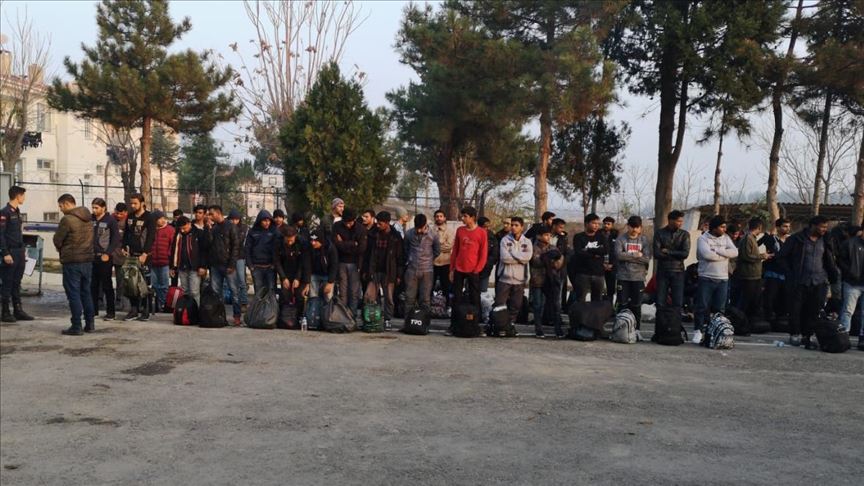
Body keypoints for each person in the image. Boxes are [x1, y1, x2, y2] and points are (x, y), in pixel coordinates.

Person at [779, 216, 839, 349]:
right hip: (799, 280)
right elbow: (781, 257)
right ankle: (795, 333)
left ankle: (808, 335)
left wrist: (832, 275)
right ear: (813, 226)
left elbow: (829, 259)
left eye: (826, 227)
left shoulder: (825, 240)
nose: (824, 229)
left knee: (814, 310)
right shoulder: (796, 239)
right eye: (822, 227)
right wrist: (790, 273)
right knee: (795, 309)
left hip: (819, 281)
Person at [693, 215, 738, 344]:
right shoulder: (703, 239)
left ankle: (716, 330)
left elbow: (735, 252)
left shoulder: (726, 238)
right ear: (714, 228)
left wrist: (717, 250)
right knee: (702, 306)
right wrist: (724, 255)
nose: (724, 229)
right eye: (722, 227)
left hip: (723, 278)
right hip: (706, 277)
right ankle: (698, 330)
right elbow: (707, 255)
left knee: (720, 308)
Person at [53, 194, 94, 335]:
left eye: (61, 206)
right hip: (87, 261)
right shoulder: (88, 218)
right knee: (86, 293)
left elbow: (57, 239)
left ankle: (76, 326)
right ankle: (90, 324)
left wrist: (60, 247)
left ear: (66, 204)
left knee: (73, 294)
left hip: (72, 261)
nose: (60, 209)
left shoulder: (67, 219)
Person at [363, 211, 405, 329]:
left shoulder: (395, 237)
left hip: (389, 271)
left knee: (389, 298)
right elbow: (367, 254)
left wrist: (399, 275)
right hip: (374, 270)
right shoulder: (372, 235)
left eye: (380, 223)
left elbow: (400, 257)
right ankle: (371, 318)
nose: (377, 225)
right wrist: (366, 270)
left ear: (387, 223)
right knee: (369, 296)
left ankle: (387, 319)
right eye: (377, 223)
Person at [0, 185, 35, 322]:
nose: (24, 198)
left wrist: (23, 250)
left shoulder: (17, 211)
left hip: (19, 251)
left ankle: (18, 310)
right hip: (10, 252)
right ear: (18, 196)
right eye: (23, 196)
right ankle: (5, 312)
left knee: (17, 283)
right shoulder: (5, 212)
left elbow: (17, 233)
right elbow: (1, 235)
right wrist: (5, 253)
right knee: (7, 283)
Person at [206, 205, 243, 325]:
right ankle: (219, 315)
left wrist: (232, 264)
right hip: (215, 265)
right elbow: (209, 244)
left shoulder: (231, 226)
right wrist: (208, 229)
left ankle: (237, 315)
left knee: (234, 291)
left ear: (218, 213)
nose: (210, 216)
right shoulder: (214, 228)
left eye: (211, 214)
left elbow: (236, 246)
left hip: (228, 264)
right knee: (216, 292)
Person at [494, 217, 532, 332]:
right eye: (512, 225)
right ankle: (499, 325)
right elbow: (505, 258)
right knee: (500, 304)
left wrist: (513, 253)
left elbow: (527, 258)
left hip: (519, 280)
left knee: (515, 305)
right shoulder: (505, 240)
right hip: (505, 278)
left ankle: (510, 325)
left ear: (522, 227)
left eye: (516, 225)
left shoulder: (527, 242)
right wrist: (520, 258)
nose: (513, 227)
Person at [122, 193, 156, 322]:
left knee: (144, 284)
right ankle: (134, 310)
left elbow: (151, 237)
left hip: (144, 256)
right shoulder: (130, 216)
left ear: (142, 203)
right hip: (131, 255)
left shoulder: (149, 217)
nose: (132, 205)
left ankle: (145, 310)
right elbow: (126, 233)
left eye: (135, 203)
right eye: (131, 203)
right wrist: (124, 246)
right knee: (131, 283)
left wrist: (145, 253)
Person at [614, 216, 651, 329]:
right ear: (628, 226)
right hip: (623, 277)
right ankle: (620, 328)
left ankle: (636, 329)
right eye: (632, 226)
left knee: (636, 305)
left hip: (638, 277)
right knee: (622, 304)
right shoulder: (621, 239)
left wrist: (627, 256)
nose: (634, 229)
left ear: (640, 228)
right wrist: (635, 255)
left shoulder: (644, 240)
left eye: (637, 227)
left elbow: (646, 258)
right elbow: (618, 255)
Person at [449, 206, 488, 311]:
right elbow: (455, 250)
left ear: (472, 217)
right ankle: (456, 319)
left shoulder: (481, 232)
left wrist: (478, 269)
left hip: (473, 269)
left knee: (474, 296)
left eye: (465, 216)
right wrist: (452, 269)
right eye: (462, 216)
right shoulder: (460, 230)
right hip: (459, 268)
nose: (463, 218)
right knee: (457, 296)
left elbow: (483, 253)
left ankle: (476, 319)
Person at [733, 218, 769, 319]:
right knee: (746, 300)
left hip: (755, 275)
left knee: (754, 300)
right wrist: (762, 256)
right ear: (759, 228)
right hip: (748, 275)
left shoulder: (751, 238)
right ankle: (740, 320)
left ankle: (750, 320)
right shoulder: (747, 238)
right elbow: (747, 256)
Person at [654, 210, 690, 311]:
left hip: (678, 271)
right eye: (678, 221)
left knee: (677, 302)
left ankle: (676, 321)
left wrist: (668, 252)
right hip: (663, 271)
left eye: (681, 221)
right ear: (670, 220)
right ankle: (660, 321)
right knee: (660, 301)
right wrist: (677, 254)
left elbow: (685, 254)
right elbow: (657, 253)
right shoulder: (659, 233)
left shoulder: (684, 234)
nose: (681, 223)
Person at [90, 198, 120, 321]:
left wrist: (108, 253)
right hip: (92, 256)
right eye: (93, 207)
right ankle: (93, 310)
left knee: (107, 285)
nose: (94, 210)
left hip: (105, 257)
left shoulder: (110, 220)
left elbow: (115, 239)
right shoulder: (91, 219)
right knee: (93, 285)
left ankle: (111, 312)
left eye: (96, 208)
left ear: (103, 208)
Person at [569, 213, 609, 304]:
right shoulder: (579, 237)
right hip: (583, 273)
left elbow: (605, 250)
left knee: (597, 301)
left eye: (598, 224)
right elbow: (579, 253)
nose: (596, 226)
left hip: (598, 273)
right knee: (580, 300)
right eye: (594, 223)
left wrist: (588, 250)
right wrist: (595, 254)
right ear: (586, 224)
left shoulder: (601, 237)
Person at [403, 213, 440, 313]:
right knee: (409, 297)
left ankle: (425, 320)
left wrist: (429, 259)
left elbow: (437, 251)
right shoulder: (409, 234)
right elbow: (405, 249)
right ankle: (408, 319)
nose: (419, 231)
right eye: (417, 228)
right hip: (412, 269)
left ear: (425, 225)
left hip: (427, 271)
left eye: (421, 228)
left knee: (425, 298)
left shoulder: (433, 234)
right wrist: (410, 259)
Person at [333, 208, 367, 315]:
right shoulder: (337, 226)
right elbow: (335, 244)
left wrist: (343, 243)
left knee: (353, 292)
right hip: (341, 262)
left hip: (355, 263)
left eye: (350, 222)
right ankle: (343, 315)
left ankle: (352, 315)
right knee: (342, 291)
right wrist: (353, 244)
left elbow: (361, 248)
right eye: (346, 222)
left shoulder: (361, 229)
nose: (348, 225)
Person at [169, 216, 207, 306]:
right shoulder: (178, 235)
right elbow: (173, 251)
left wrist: (203, 266)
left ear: (189, 224)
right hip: (182, 266)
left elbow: (204, 251)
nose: (183, 230)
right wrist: (172, 267)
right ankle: (186, 311)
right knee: (185, 292)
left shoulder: (198, 233)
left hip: (195, 267)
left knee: (194, 291)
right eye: (181, 228)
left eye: (184, 228)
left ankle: (195, 310)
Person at [275, 225, 311, 319]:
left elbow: (303, 262)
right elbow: (277, 262)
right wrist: (283, 278)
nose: (290, 243)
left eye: (291, 240)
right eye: (287, 240)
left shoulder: (302, 243)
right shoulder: (278, 243)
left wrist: (297, 278)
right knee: (285, 295)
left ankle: (299, 317)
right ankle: (285, 318)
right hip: (285, 272)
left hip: (299, 272)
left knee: (299, 295)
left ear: (295, 236)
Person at [758, 217, 791, 321]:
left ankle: (781, 319)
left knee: (784, 299)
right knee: (770, 298)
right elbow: (755, 245)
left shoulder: (791, 240)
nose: (787, 228)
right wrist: (764, 255)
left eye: (789, 226)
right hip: (772, 273)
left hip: (786, 274)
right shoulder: (771, 239)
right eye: (785, 226)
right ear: (778, 227)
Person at [306, 229, 338, 329]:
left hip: (327, 275)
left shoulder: (330, 248)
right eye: (311, 240)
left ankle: (328, 319)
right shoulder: (309, 248)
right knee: (313, 296)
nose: (313, 243)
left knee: (328, 296)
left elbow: (334, 266)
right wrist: (307, 282)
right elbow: (307, 265)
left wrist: (330, 282)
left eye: (315, 241)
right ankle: (313, 320)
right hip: (314, 274)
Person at [837, 225, 863, 338]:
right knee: (848, 311)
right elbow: (840, 260)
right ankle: (843, 336)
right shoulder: (849, 243)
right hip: (852, 283)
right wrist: (850, 272)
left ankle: (862, 337)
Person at [528, 225, 553, 336]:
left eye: (549, 235)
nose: (548, 237)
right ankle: (538, 327)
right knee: (537, 304)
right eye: (546, 235)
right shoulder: (533, 248)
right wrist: (547, 259)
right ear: (539, 236)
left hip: (549, 280)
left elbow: (559, 262)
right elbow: (535, 261)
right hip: (537, 280)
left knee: (548, 304)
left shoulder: (552, 248)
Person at [244, 210, 277, 293]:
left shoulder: (273, 231)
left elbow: (276, 248)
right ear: (260, 221)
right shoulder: (252, 232)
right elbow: (247, 249)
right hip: (256, 267)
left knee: (271, 290)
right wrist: (250, 265)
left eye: (268, 220)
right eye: (264, 221)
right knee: (259, 292)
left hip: (270, 267)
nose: (267, 223)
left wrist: (274, 264)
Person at [150, 211, 175, 312]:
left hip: (165, 262)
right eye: (160, 219)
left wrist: (170, 259)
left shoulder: (170, 230)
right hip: (153, 262)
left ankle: (164, 304)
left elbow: (173, 246)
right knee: (155, 285)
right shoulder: (151, 229)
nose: (163, 220)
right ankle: (157, 305)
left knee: (164, 285)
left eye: (163, 218)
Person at [229, 209, 249, 312]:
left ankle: (244, 302)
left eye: (236, 219)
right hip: (230, 257)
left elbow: (239, 241)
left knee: (242, 281)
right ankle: (236, 302)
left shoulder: (243, 228)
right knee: (232, 283)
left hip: (240, 257)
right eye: (232, 219)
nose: (234, 221)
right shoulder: (227, 227)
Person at [433, 209, 454, 306]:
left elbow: (449, 246)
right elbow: (428, 245)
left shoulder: (450, 231)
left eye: (441, 216)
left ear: (444, 218)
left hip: (445, 263)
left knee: (446, 286)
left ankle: (447, 306)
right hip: (432, 263)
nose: (439, 218)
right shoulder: (430, 230)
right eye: (437, 216)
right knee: (430, 286)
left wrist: (435, 246)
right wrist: (442, 243)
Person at [112, 202, 129, 312]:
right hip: (109, 253)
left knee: (120, 280)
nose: (118, 216)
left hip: (121, 255)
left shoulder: (128, 222)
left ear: (125, 213)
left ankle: (119, 300)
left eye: (121, 214)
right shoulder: (111, 220)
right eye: (117, 213)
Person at [551, 218, 569, 311]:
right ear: (554, 226)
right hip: (547, 268)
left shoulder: (563, 238)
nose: (562, 230)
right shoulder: (546, 236)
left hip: (559, 269)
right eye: (560, 227)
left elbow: (565, 253)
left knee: (558, 294)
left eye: (563, 228)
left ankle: (557, 315)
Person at [477, 216, 499, 293]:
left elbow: (495, 252)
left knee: (483, 290)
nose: (486, 229)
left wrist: (488, 263)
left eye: (488, 227)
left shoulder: (491, 236)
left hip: (486, 267)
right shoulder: (475, 234)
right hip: (474, 267)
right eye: (484, 227)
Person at [601, 216, 618, 302]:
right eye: (605, 223)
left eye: (608, 224)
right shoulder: (598, 234)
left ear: (612, 225)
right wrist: (602, 264)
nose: (606, 225)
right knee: (599, 288)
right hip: (600, 265)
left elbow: (617, 252)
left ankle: (609, 306)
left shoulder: (617, 235)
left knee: (611, 288)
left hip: (612, 265)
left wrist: (612, 264)